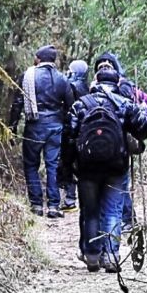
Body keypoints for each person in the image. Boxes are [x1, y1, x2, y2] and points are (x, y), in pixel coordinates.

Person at [66, 65, 147, 272]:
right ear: (116, 83)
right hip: (116, 167)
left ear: (95, 82)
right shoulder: (125, 104)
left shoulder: (81, 104)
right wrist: (141, 110)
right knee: (112, 210)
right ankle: (112, 256)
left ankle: (93, 256)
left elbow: (68, 135)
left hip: (87, 168)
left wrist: (68, 166)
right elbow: (144, 130)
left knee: (90, 211)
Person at [8, 45, 74, 218]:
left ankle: (36, 204)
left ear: (39, 59)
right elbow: (70, 106)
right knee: (52, 165)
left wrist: (11, 127)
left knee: (31, 164)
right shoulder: (62, 79)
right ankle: (53, 206)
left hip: (34, 126)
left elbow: (17, 104)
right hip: (55, 127)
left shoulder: (27, 76)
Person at [92, 52, 147, 228]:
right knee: (117, 182)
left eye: (107, 65)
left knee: (118, 183)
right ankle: (124, 219)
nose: (104, 66)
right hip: (109, 141)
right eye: (101, 65)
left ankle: (126, 219)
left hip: (116, 141)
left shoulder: (125, 88)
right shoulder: (98, 88)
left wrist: (140, 127)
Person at [57, 59, 90, 212]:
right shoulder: (88, 87)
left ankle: (69, 199)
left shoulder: (70, 86)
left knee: (67, 162)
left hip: (71, 128)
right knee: (79, 163)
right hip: (85, 131)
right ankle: (77, 197)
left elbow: (67, 109)